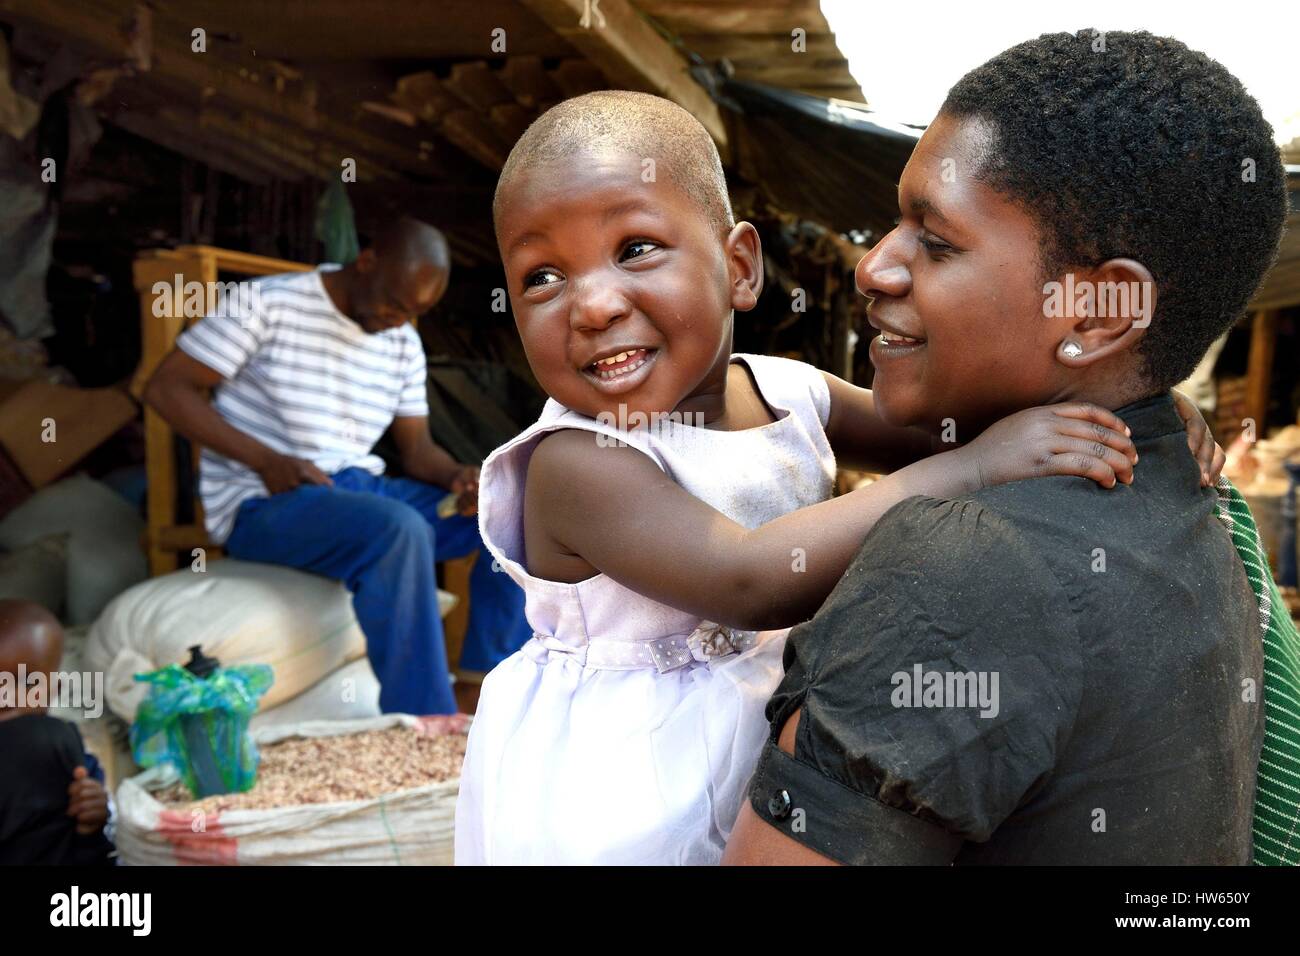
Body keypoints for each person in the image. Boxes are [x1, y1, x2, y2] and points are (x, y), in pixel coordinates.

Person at [453, 91, 1222, 865]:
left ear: (739, 267)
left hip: (759, 732)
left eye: (636, 250)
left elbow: (945, 425)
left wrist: (1133, 401)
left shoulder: (786, 390)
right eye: (542, 276)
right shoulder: (576, 463)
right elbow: (747, 578)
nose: (591, 304)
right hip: (614, 786)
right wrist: (980, 466)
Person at [723, 30, 1292, 865]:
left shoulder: (962, 562)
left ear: (1096, 313)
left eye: (938, 241)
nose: (874, 267)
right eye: (895, 222)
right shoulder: (1196, 499)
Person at [145, 218, 532, 715]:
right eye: (394, 303)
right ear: (367, 261)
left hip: (360, 493)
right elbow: (165, 388)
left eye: (415, 312)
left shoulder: (402, 342)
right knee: (398, 528)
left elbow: (417, 452)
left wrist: (460, 476)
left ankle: (484, 686)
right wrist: (266, 460)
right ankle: (424, 716)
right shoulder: (266, 304)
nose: (400, 320)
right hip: (267, 501)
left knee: (512, 511)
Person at [0, 600, 113, 865]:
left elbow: (94, 835)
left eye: (27, 683)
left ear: (54, 689)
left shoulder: (67, 753)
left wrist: (94, 814)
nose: (5, 697)